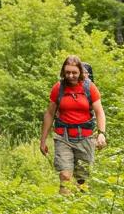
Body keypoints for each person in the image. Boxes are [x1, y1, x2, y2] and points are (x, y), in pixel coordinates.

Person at [39, 55, 107, 192]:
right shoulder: (58, 88)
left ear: (80, 72)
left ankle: (80, 208)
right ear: (63, 72)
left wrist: (101, 134)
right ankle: (63, 209)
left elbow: (100, 112)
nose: (71, 76)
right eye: (67, 72)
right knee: (65, 175)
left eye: (74, 73)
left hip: (85, 137)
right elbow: (50, 114)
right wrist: (43, 140)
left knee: (82, 179)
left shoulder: (90, 88)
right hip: (63, 137)